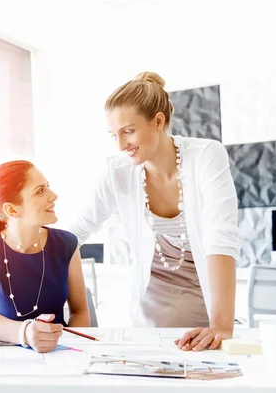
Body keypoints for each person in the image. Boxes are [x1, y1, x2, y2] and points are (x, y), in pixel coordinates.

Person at [69, 72, 240, 352]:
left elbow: (221, 235)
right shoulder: (118, 172)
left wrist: (221, 326)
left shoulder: (206, 155)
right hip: (148, 325)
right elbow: (76, 231)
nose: (121, 145)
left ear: (158, 121)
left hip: (207, 318)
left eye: (128, 131)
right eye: (114, 135)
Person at [0, 160, 90, 353]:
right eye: (40, 191)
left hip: (56, 353)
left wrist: (62, 346)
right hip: (4, 356)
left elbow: (81, 311)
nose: (54, 196)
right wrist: (26, 333)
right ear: (12, 210)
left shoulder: (67, 244)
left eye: (48, 187)